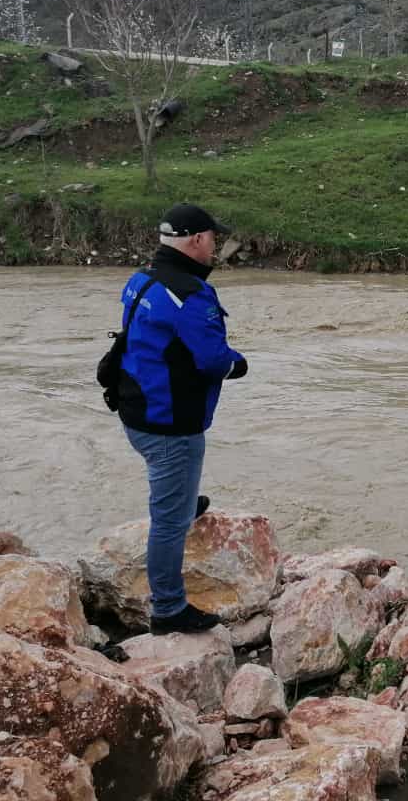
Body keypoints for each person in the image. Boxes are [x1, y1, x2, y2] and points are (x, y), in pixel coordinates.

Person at [115, 203, 248, 635]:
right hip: (169, 422)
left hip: (136, 410)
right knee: (168, 522)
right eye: (212, 239)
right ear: (196, 240)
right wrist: (238, 364)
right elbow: (212, 359)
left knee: (175, 489)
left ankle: (185, 501)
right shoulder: (190, 293)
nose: (215, 247)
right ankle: (169, 609)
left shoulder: (142, 279)